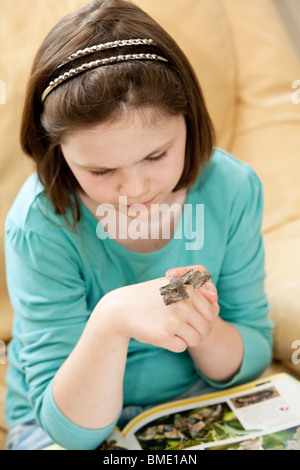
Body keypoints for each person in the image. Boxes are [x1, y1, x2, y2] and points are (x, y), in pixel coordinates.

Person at [4, 0, 273, 450]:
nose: (134, 188)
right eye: (101, 172)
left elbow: (253, 351)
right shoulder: (40, 225)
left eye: (156, 156)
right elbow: (68, 430)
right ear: (58, 153)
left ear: (189, 122)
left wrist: (203, 328)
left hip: (195, 401)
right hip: (66, 422)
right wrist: (113, 319)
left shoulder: (232, 188)